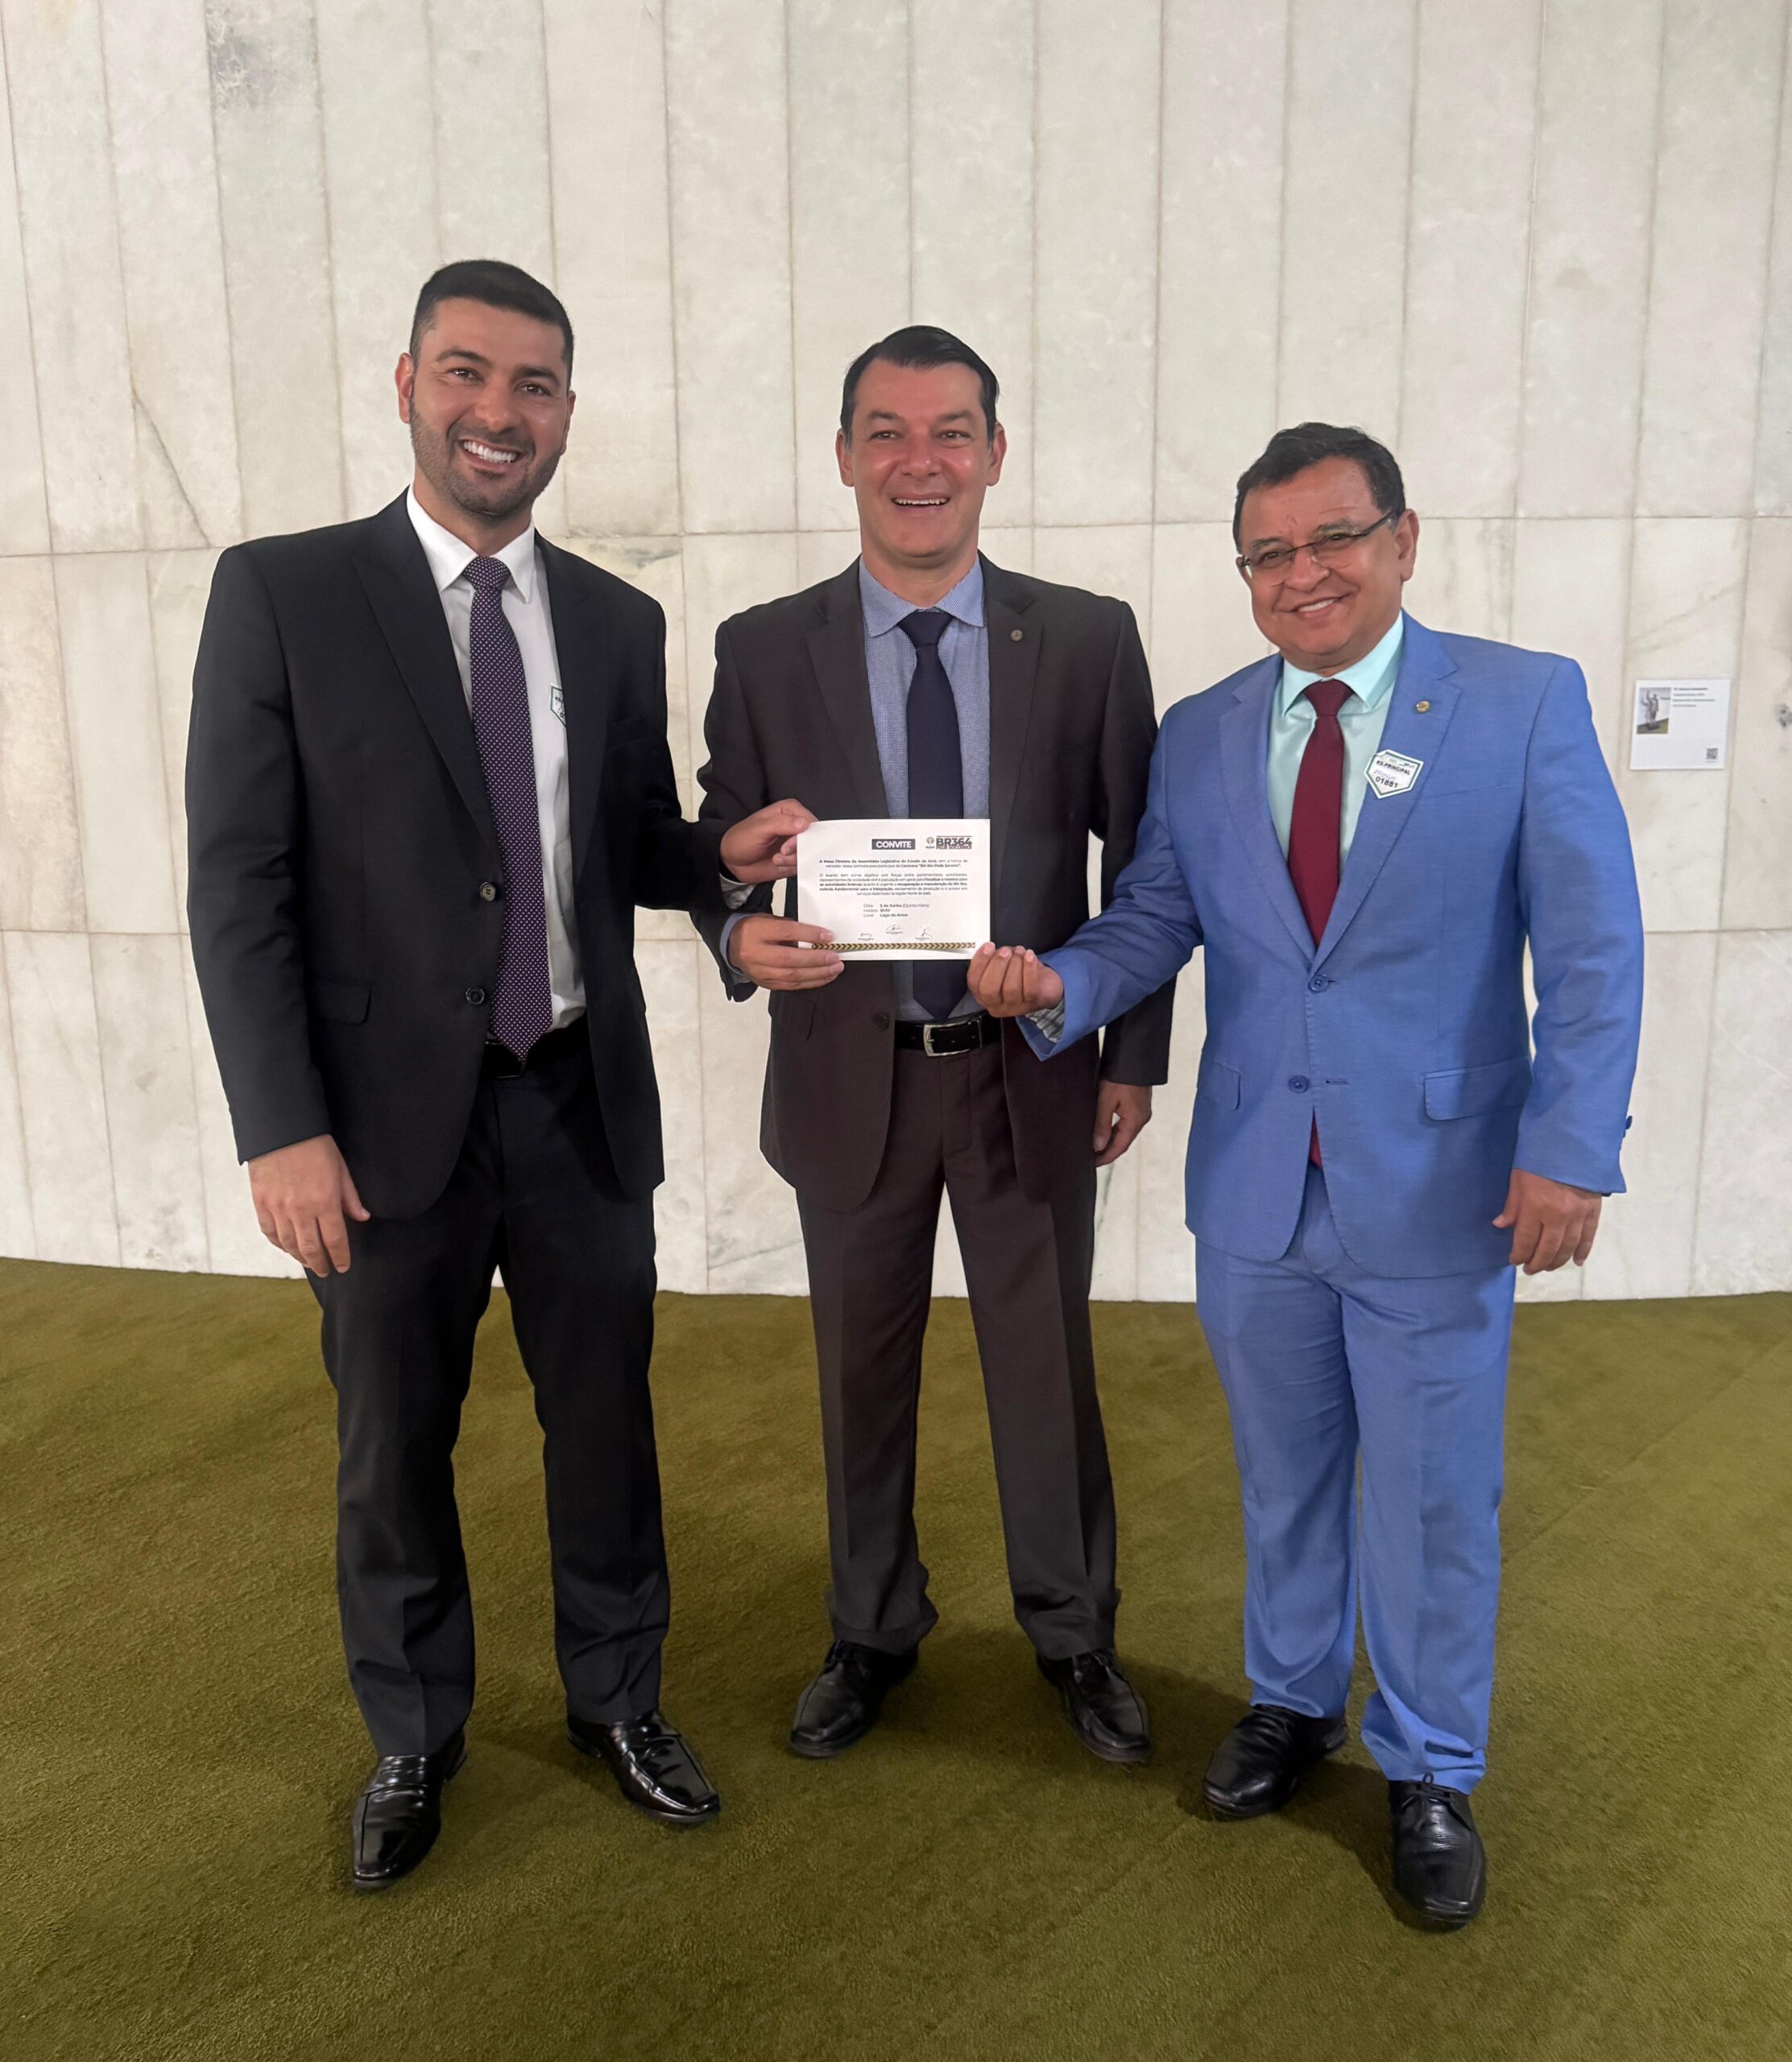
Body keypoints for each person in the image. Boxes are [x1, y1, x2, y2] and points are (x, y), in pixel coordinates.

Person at [966, 422, 1644, 1926]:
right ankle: (1288, 1702)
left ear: (1402, 540)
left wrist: (1567, 1147)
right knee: (1284, 1476)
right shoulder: (1206, 730)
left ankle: (1429, 1766)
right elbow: (1155, 913)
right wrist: (1061, 987)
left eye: (1333, 537)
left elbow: (1592, 945)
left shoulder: (1521, 702)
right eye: (1267, 553)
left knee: (1431, 1498)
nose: (1303, 572)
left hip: (1443, 1185)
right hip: (1257, 1188)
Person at [186, 259, 809, 1889]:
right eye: (466, 372)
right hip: (377, 1126)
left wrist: (718, 859)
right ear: (407, 385)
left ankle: (620, 1699)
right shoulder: (282, 592)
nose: (497, 411)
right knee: (393, 1442)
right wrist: (281, 1127)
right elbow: (237, 881)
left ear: (566, 415)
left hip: (577, 1100)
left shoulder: (613, 618)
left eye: (533, 385)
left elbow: (624, 835)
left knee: (606, 1423)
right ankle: (415, 1731)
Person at [693, 327, 1172, 1766]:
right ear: (844, 456)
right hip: (849, 1076)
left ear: (994, 454)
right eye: (887, 433)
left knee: (1046, 1371)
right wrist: (735, 929)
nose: (920, 462)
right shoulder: (761, 648)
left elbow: (1144, 865)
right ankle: (870, 1629)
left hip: (1030, 1074)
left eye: (950, 431)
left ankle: (1073, 1634)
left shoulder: (1084, 639)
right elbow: (718, 844)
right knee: (858, 1375)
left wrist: (1127, 1052)